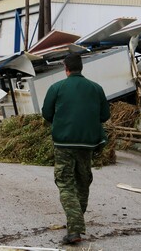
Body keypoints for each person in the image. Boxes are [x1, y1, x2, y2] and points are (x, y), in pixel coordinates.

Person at [41, 53, 110, 245]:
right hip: (87, 144)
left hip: (64, 144)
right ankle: (76, 221)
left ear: (66, 68)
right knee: (83, 181)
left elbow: (46, 114)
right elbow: (104, 116)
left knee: (65, 183)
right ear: (81, 68)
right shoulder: (97, 89)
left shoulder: (57, 87)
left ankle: (75, 228)